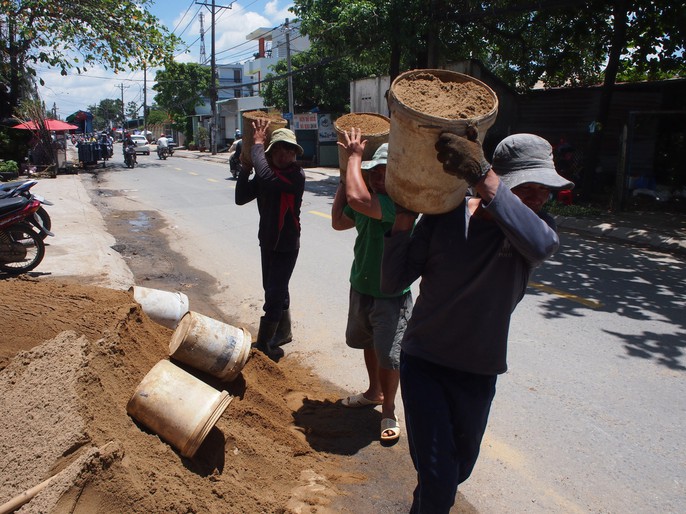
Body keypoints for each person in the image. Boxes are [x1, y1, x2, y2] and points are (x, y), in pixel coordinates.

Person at [381, 131, 574, 513]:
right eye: (529, 186)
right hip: (425, 364)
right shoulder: (445, 217)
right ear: (506, 179)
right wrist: (404, 216)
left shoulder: (532, 231)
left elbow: (542, 246)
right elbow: (393, 280)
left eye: (545, 188)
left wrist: (482, 175)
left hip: (479, 371)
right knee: (438, 478)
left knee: (456, 471)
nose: (539, 196)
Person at [331, 133, 413, 443]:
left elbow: (357, 200)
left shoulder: (398, 206)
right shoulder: (367, 202)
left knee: (390, 355)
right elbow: (339, 221)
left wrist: (353, 157)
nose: (379, 178)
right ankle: (374, 391)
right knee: (368, 342)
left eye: (386, 173)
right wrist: (343, 179)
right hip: (362, 285)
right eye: (375, 172)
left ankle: (389, 409)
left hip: (391, 295)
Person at [235, 119, 305, 361]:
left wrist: (256, 145)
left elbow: (264, 176)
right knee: (274, 288)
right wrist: (244, 170)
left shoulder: (295, 175)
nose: (284, 154)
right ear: (271, 152)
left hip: (286, 245)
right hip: (267, 241)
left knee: (274, 292)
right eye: (279, 148)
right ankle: (283, 332)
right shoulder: (270, 175)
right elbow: (241, 197)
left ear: (295, 154)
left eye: (290, 150)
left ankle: (265, 345)